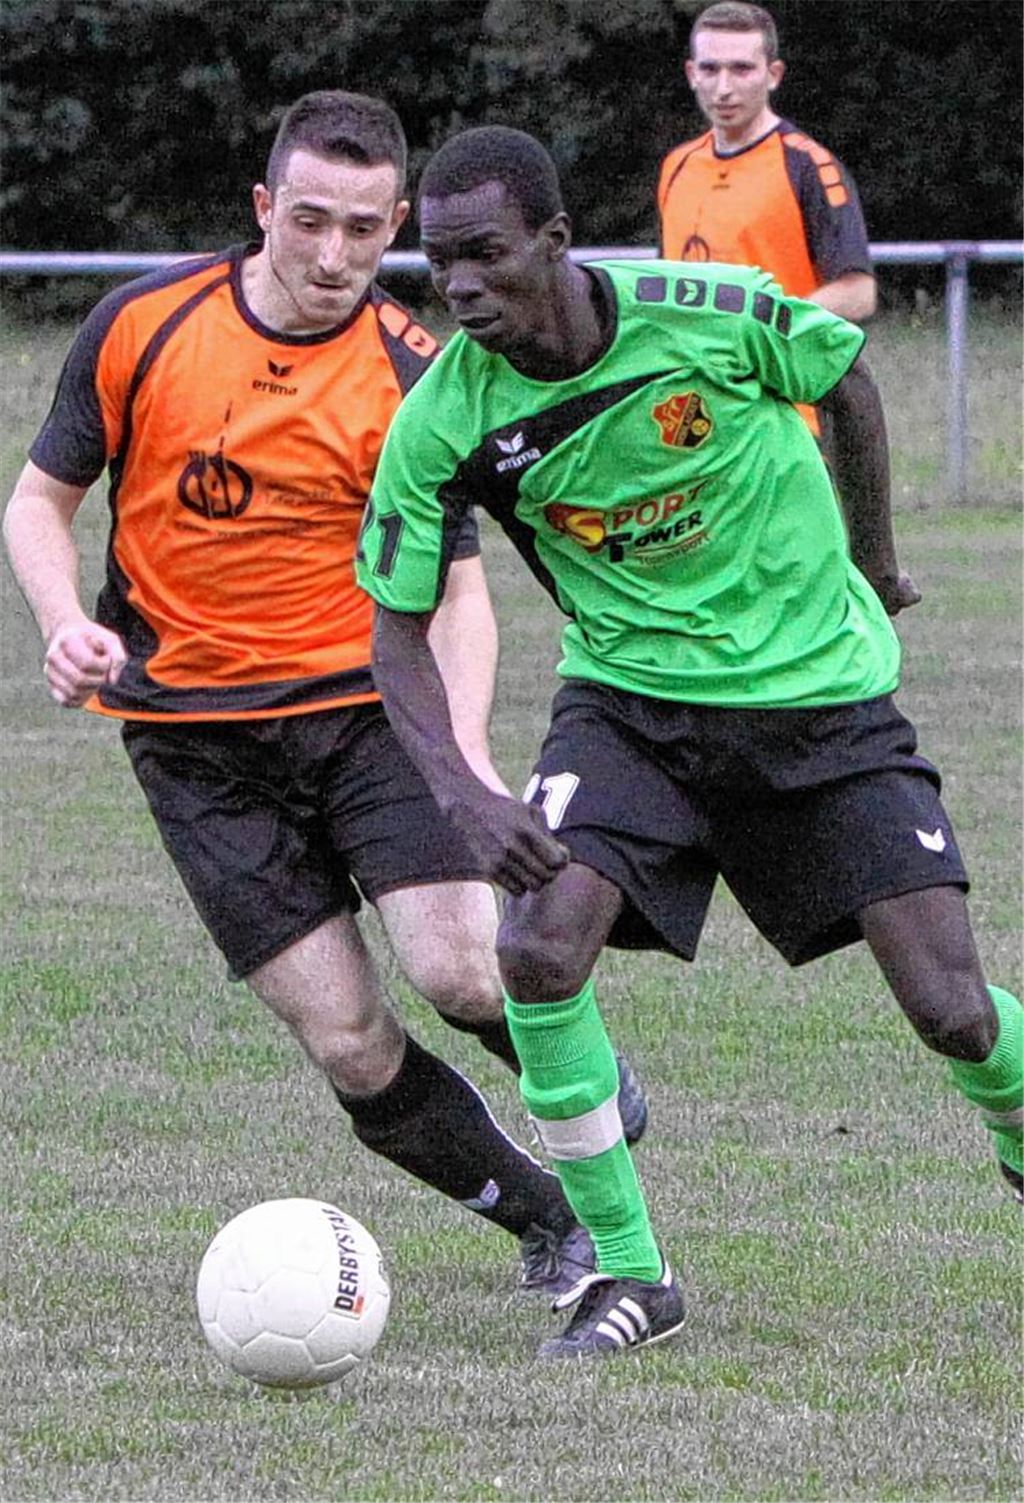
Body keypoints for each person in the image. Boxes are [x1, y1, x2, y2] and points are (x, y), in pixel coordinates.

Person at [355, 125, 1023, 1361]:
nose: (457, 290)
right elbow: (394, 632)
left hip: (823, 707)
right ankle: (631, 1274)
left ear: (553, 242)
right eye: (435, 264)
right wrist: (459, 789)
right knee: (538, 955)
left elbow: (850, 382)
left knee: (949, 1013)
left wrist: (874, 566)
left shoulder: (709, 314)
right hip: (632, 714)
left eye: (486, 257)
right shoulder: (442, 419)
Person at [2, 91, 649, 1304]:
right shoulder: (142, 326)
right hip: (192, 739)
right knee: (349, 1040)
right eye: (310, 221)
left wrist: (460, 766)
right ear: (264, 209)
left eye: (364, 228)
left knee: (466, 969)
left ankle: (579, 1081)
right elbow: (39, 501)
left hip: (366, 711)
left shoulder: (420, 372)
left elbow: (459, 594)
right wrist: (64, 624)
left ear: (397, 220)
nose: (335, 255)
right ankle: (548, 1216)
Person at [657, 1, 875, 437]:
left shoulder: (810, 166)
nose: (723, 88)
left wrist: (757, 328)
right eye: (710, 69)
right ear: (690, 74)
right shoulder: (676, 166)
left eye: (741, 69)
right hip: (690, 418)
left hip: (785, 419)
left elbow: (859, 293)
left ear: (773, 75)